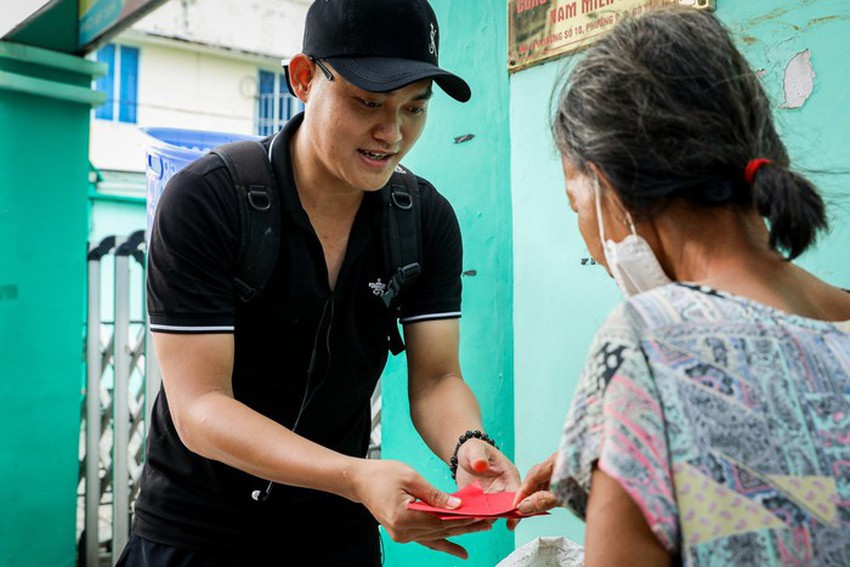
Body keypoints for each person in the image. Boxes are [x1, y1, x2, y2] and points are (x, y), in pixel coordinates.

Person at [117, 1, 519, 565]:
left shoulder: (424, 218)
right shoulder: (208, 199)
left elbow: (436, 379)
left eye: (414, 109)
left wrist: (468, 447)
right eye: (368, 102)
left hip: (334, 538)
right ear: (303, 78)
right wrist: (354, 477)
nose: (392, 133)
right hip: (196, 534)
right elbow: (201, 406)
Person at [512, 7, 850, 566]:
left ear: (608, 187)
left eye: (575, 204)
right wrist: (630, 451)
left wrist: (635, 422)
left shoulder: (647, 341)